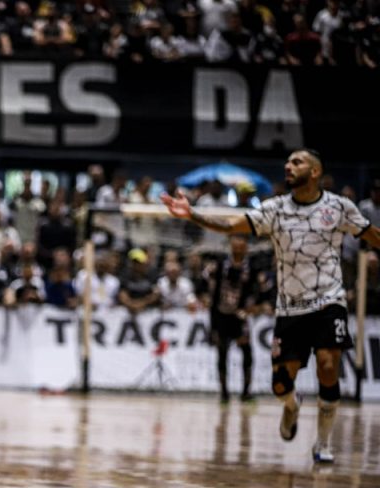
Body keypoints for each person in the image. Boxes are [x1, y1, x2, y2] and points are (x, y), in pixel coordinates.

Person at [162, 149, 380, 463]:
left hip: (329, 300)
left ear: (315, 171)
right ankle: (291, 406)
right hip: (290, 307)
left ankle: (322, 444)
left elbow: (371, 234)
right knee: (280, 384)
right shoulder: (275, 209)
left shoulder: (338, 207)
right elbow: (231, 226)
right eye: (288, 162)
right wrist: (192, 214)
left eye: (297, 162)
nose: (288, 166)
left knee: (329, 367)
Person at [208, 234, 257, 403]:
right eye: (235, 243)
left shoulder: (251, 267)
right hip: (221, 315)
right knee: (222, 353)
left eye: (241, 243)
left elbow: (254, 291)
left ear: (245, 247)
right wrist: (213, 324)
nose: (238, 246)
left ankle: (246, 391)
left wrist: (250, 309)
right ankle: (224, 392)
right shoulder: (221, 266)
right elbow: (212, 293)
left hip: (239, 316)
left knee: (247, 352)